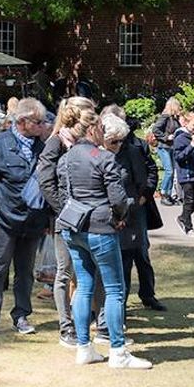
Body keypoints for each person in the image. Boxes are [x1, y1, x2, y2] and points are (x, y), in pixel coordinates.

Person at [57, 112, 152, 369]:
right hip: (100, 227)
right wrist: (119, 217)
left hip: (73, 226)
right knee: (114, 289)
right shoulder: (103, 158)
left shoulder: (66, 157)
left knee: (84, 287)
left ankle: (84, 347)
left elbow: (63, 193)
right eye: (100, 126)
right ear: (92, 129)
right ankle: (118, 351)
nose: (103, 131)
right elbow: (118, 198)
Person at [0, 98, 48, 338]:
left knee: (25, 272)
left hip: (32, 221)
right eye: (38, 122)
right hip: (3, 220)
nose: (42, 125)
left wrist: (47, 220)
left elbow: (49, 184)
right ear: (23, 122)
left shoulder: (43, 148)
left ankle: (21, 315)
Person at [36, 97, 96, 348]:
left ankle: (89, 317)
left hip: (88, 217)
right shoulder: (55, 142)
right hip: (65, 218)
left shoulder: (85, 141)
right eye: (89, 112)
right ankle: (66, 326)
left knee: (87, 271)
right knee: (64, 273)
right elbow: (45, 180)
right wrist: (64, 210)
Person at [101, 104, 166, 313]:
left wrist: (145, 195)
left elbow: (150, 171)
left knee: (142, 254)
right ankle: (119, 304)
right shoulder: (100, 151)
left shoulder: (136, 146)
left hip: (136, 209)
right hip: (115, 211)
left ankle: (148, 294)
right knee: (123, 259)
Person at [172, 111, 194, 237]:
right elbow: (178, 157)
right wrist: (191, 146)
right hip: (186, 174)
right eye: (193, 125)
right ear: (186, 124)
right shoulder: (180, 138)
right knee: (189, 200)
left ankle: (183, 217)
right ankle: (188, 227)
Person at [151, 97, 182, 205]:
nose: (180, 108)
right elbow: (155, 129)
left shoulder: (174, 118)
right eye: (178, 106)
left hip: (171, 147)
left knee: (172, 172)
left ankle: (168, 195)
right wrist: (166, 137)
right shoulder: (165, 117)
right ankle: (163, 193)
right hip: (164, 147)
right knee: (169, 171)